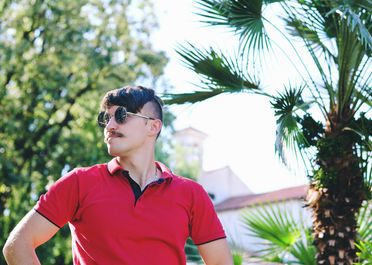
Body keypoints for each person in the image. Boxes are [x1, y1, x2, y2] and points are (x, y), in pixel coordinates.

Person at [3, 85, 233, 265]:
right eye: (107, 117)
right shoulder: (79, 183)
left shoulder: (191, 194)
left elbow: (221, 261)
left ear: (153, 127)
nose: (110, 125)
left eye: (121, 115)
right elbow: (17, 245)